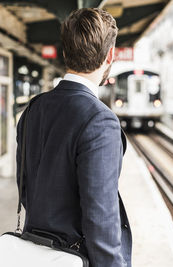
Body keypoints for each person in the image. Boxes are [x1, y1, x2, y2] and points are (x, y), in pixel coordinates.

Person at [16, 8, 132, 267]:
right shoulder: (100, 121)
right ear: (110, 56)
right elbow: (100, 222)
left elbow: (25, 189)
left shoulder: (34, 109)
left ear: (65, 53)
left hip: (34, 253)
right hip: (75, 260)